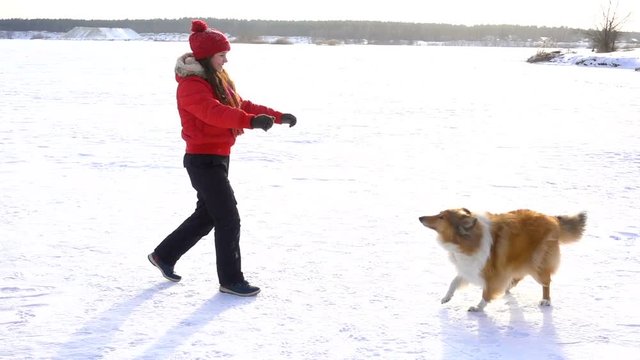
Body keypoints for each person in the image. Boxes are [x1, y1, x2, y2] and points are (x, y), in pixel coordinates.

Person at [148, 19, 297, 297]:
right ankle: (231, 279)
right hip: (202, 160)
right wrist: (251, 121)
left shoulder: (218, 79)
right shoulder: (191, 86)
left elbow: (240, 105)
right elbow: (214, 113)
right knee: (228, 217)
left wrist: (277, 116)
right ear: (206, 57)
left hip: (218, 157)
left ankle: (164, 255)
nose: (225, 60)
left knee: (208, 216)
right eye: (221, 55)